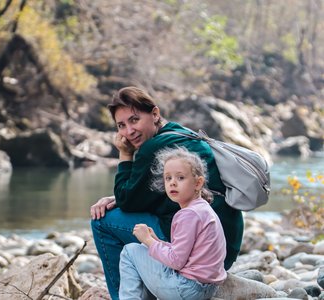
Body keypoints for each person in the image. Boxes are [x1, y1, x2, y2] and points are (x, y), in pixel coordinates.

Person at [90, 86, 243, 300]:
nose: (128, 132)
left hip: (195, 254)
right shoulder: (182, 133)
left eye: (134, 120)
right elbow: (160, 193)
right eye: (121, 125)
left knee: (102, 222)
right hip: (223, 247)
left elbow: (127, 201)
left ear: (155, 114)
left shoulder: (152, 148)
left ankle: (123, 296)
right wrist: (118, 198)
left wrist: (124, 154)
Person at [119, 146, 227, 299]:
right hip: (207, 288)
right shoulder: (202, 209)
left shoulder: (188, 214)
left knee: (130, 251)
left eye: (180, 177)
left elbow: (176, 261)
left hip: (186, 289)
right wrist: (156, 241)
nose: (172, 183)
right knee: (145, 249)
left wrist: (148, 240)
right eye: (168, 178)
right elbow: (186, 253)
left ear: (198, 183)